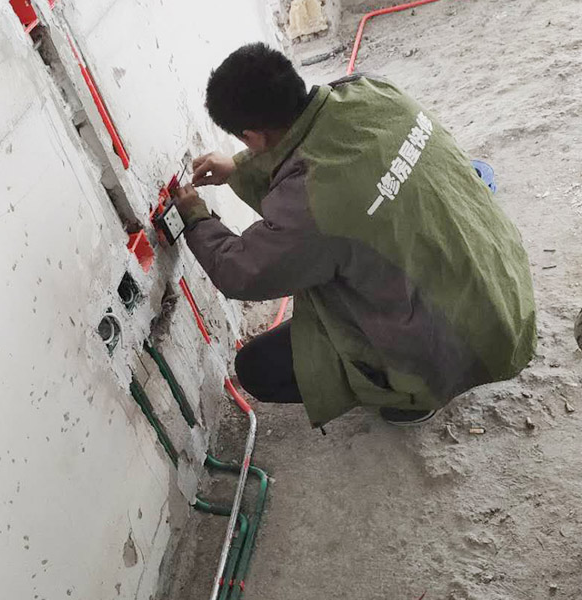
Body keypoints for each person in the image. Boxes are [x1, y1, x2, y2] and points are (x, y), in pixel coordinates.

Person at [173, 43, 536, 428]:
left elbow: (241, 271)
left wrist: (196, 218)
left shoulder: (311, 202)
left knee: (257, 368)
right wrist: (237, 166)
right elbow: (311, 142)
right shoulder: (372, 90)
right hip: (508, 298)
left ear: (252, 135)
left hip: (459, 347)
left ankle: (415, 393)